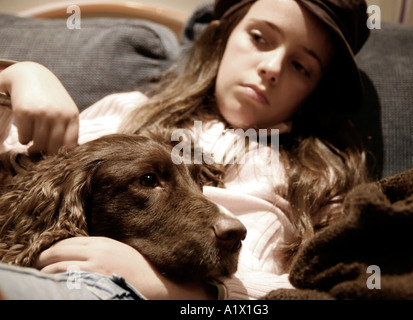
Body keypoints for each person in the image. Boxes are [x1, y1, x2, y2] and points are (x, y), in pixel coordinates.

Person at [0, 0, 371, 300]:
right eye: (260, 38)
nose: (271, 68)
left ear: (316, 91)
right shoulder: (127, 110)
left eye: (301, 66)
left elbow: (331, 291)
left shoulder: (322, 177)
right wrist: (18, 78)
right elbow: (20, 179)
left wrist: (192, 293)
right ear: (220, 38)